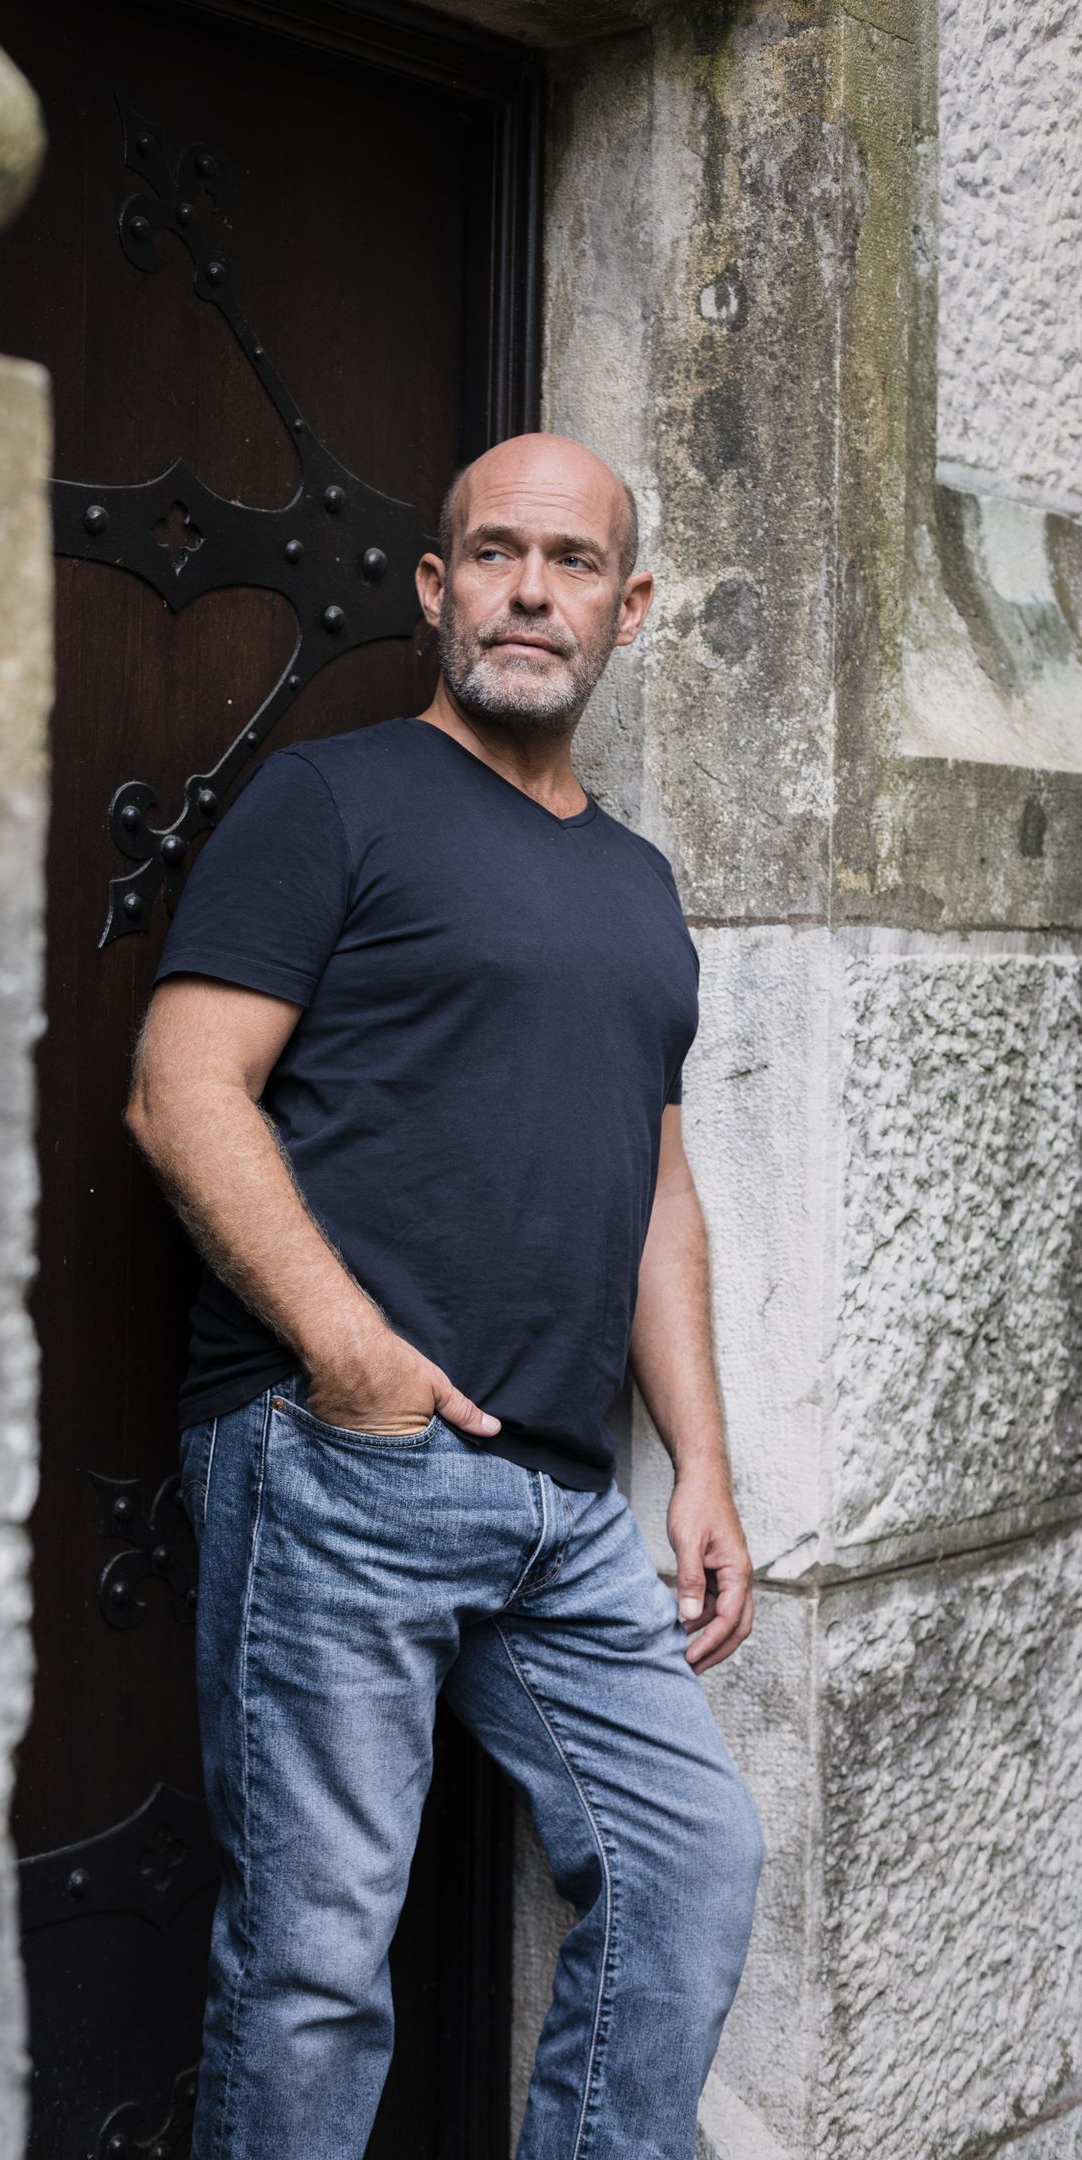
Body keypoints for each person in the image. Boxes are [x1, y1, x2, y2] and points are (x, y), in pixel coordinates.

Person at [125, 432, 764, 2160]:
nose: (530, 593)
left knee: (692, 1866)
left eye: (572, 563)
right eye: (495, 554)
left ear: (631, 607)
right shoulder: (331, 802)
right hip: (346, 1460)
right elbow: (183, 1091)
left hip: (563, 1498)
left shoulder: (637, 885)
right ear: (434, 588)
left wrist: (701, 1465)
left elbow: (659, 1193)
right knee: (317, 1963)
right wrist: (356, 1360)